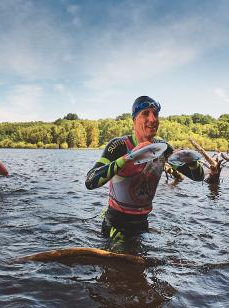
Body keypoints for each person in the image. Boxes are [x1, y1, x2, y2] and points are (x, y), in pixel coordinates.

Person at [85, 96, 211, 242]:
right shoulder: (119, 146)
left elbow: (198, 177)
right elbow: (90, 181)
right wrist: (129, 157)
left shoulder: (162, 148)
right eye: (145, 113)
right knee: (117, 264)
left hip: (142, 222)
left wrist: (191, 161)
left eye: (155, 114)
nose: (152, 119)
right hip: (116, 224)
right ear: (134, 120)